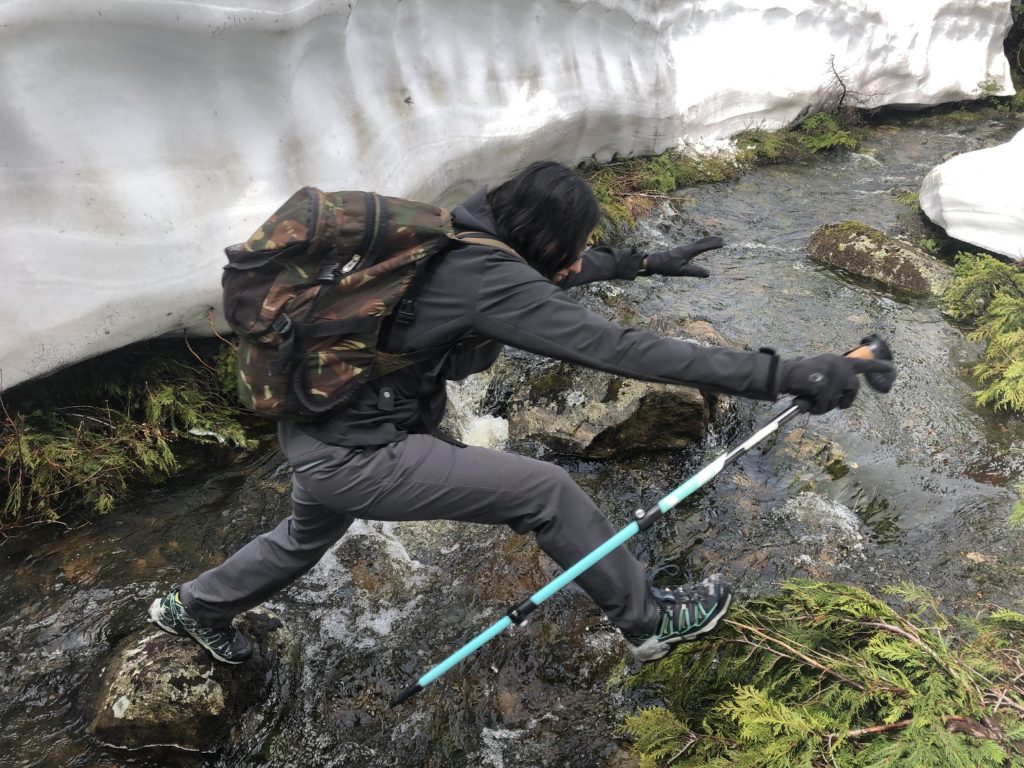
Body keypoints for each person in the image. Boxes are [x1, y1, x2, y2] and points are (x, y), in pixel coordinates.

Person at [149, 161, 891, 665]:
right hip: (360, 455)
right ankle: (648, 622)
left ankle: (192, 608)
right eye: (576, 245)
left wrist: (639, 263)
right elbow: (620, 349)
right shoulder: (489, 276)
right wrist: (781, 373)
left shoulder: (458, 235)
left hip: (318, 432)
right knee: (545, 491)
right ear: (543, 239)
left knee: (299, 540)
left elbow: (546, 276)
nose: (578, 259)